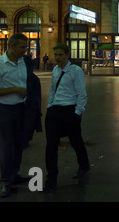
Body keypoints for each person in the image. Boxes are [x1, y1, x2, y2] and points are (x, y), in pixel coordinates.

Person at [0, 33, 32, 198]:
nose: (25, 51)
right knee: (6, 146)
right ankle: (6, 181)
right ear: (11, 46)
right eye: (22, 47)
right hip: (3, 110)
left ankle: (15, 174)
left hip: (19, 108)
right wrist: (15, 90)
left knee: (19, 143)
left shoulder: (22, 62)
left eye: (25, 47)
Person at [44, 43, 90, 192]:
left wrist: (77, 112)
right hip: (55, 111)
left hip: (70, 110)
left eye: (60, 55)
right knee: (51, 145)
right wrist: (50, 106)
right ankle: (51, 179)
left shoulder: (75, 71)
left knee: (76, 141)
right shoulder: (56, 69)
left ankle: (84, 165)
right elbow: (52, 89)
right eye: (55, 55)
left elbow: (81, 93)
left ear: (67, 55)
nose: (57, 58)